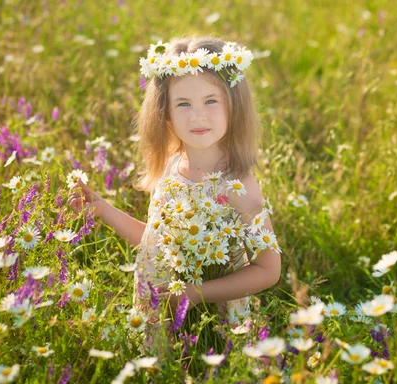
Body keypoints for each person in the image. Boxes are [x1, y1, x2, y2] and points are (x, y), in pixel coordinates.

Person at [68, 36, 282, 361]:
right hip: (160, 312)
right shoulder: (169, 167)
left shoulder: (238, 184)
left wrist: (196, 295)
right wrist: (100, 208)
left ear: (234, 105)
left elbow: (268, 269)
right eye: (183, 103)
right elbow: (156, 243)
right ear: (164, 112)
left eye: (211, 101)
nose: (197, 116)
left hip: (213, 322)